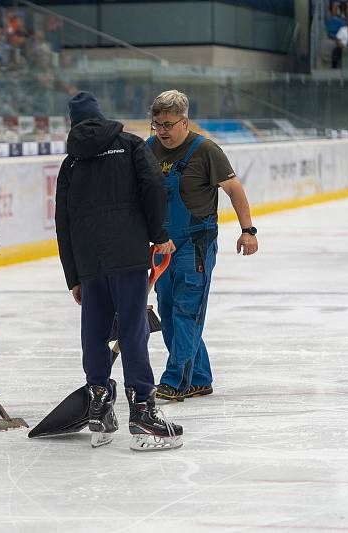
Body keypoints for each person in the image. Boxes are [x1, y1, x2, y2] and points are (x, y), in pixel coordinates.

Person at [55, 91, 183, 450]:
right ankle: (142, 412)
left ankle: (99, 406)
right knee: (132, 331)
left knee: (94, 333)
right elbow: (154, 187)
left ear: (74, 123)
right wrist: (159, 235)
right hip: (127, 256)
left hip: (89, 263)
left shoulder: (71, 163)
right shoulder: (128, 145)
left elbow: (62, 223)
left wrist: (74, 277)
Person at [146, 90, 258, 402]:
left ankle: (175, 381)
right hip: (162, 244)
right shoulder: (149, 148)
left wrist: (247, 230)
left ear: (184, 121)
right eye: (157, 125)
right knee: (168, 312)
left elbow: (234, 189)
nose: (163, 131)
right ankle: (199, 378)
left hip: (196, 241)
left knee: (186, 310)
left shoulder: (205, 149)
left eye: (169, 124)